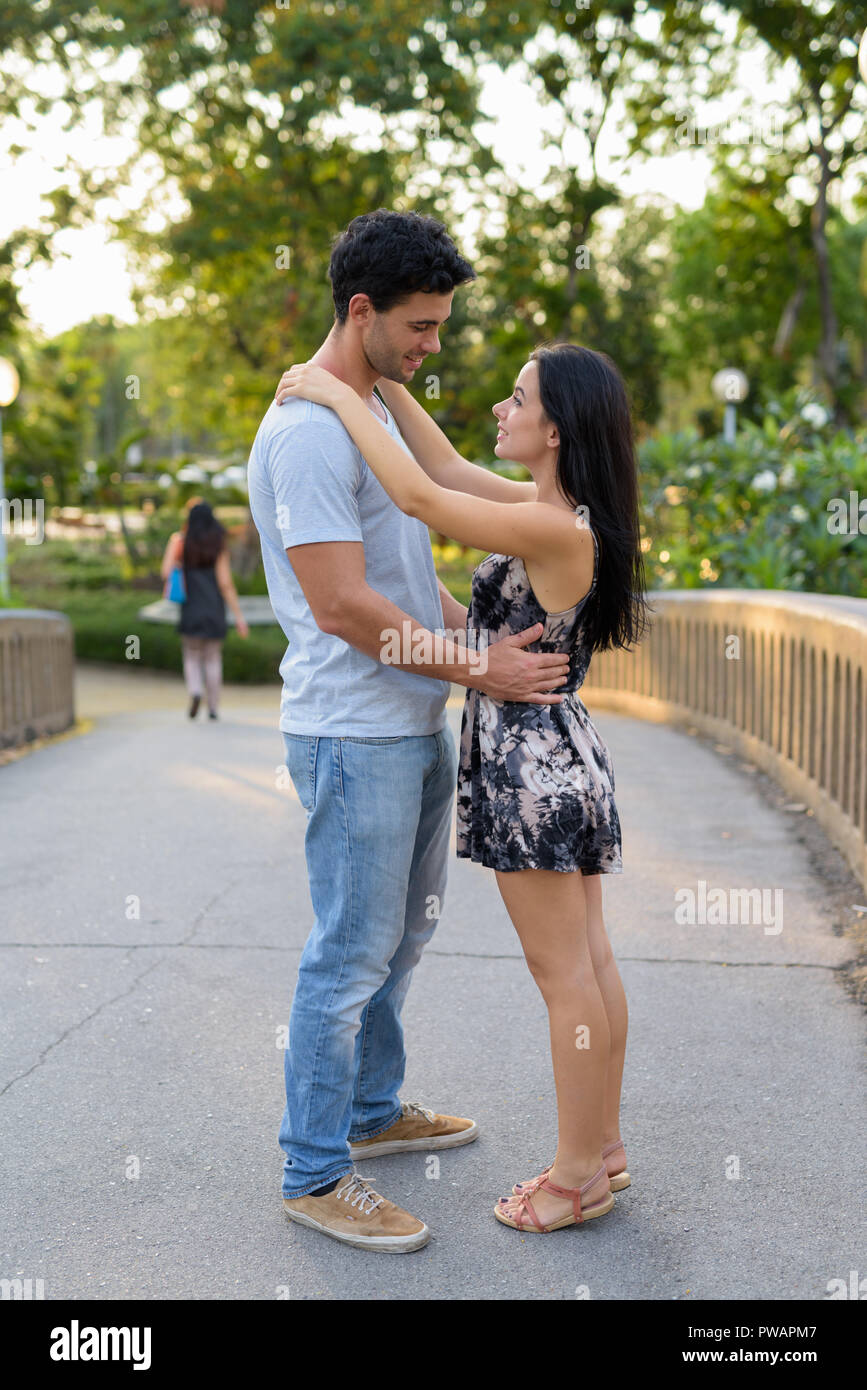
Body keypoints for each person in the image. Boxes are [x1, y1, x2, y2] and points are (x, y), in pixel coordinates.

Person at [247, 209, 573, 1253]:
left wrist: (451, 625)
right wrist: (481, 664)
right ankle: (313, 1168)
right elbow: (344, 604)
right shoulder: (306, 432)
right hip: (354, 732)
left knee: (401, 937)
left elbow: (400, 563)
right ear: (362, 311)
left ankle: (373, 1110)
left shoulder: (372, 409)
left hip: (408, 716)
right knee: (347, 954)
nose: (435, 346)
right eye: (422, 327)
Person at [275, 338, 650, 1236]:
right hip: (562, 755)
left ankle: (570, 1179)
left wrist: (334, 392)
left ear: (554, 429)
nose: (499, 408)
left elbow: (416, 494)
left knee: (563, 974)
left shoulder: (550, 526)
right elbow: (438, 463)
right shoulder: (550, 509)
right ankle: (601, 1148)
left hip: (533, 769)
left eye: (516, 399)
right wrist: (384, 389)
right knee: (589, 962)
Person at [160, 501, 249, 720]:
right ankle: (213, 707)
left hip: (190, 608)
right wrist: (239, 617)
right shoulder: (218, 544)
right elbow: (225, 583)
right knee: (212, 658)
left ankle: (195, 691)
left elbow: (165, 572)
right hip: (214, 609)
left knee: (191, 655)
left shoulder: (180, 541)